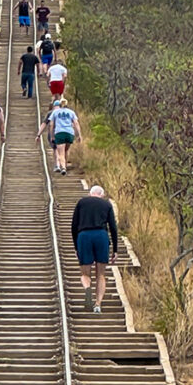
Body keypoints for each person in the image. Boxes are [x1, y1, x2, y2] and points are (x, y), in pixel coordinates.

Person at [71, 183, 119, 314]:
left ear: (90, 194)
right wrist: (115, 249)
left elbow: (74, 226)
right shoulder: (106, 205)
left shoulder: (81, 203)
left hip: (84, 236)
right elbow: (113, 228)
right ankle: (97, 304)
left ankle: (87, 288)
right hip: (101, 236)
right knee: (101, 274)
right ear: (102, 195)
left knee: (85, 274)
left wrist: (76, 247)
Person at [40, 95, 81, 174]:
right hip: (69, 133)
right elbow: (76, 123)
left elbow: (51, 124)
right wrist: (79, 135)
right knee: (66, 150)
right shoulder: (71, 112)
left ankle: (63, 168)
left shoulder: (55, 112)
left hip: (59, 133)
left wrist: (52, 135)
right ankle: (65, 165)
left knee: (61, 153)